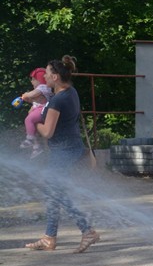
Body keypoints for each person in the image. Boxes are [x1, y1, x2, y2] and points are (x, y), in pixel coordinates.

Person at [23, 55, 100, 254]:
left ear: (56, 77)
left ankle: (86, 230)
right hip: (70, 148)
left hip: (63, 153)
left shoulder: (58, 100)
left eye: (47, 74)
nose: (44, 78)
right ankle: (50, 237)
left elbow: (47, 131)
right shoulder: (71, 92)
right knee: (54, 192)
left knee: (56, 192)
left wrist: (33, 122)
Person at [16, 67, 53, 157]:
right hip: (39, 109)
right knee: (31, 127)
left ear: (39, 80)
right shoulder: (41, 89)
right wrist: (26, 99)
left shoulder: (43, 87)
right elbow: (34, 99)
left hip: (43, 110)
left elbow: (33, 94)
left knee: (29, 120)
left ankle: (30, 140)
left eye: (33, 79)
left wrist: (25, 95)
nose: (32, 82)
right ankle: (36, 147)